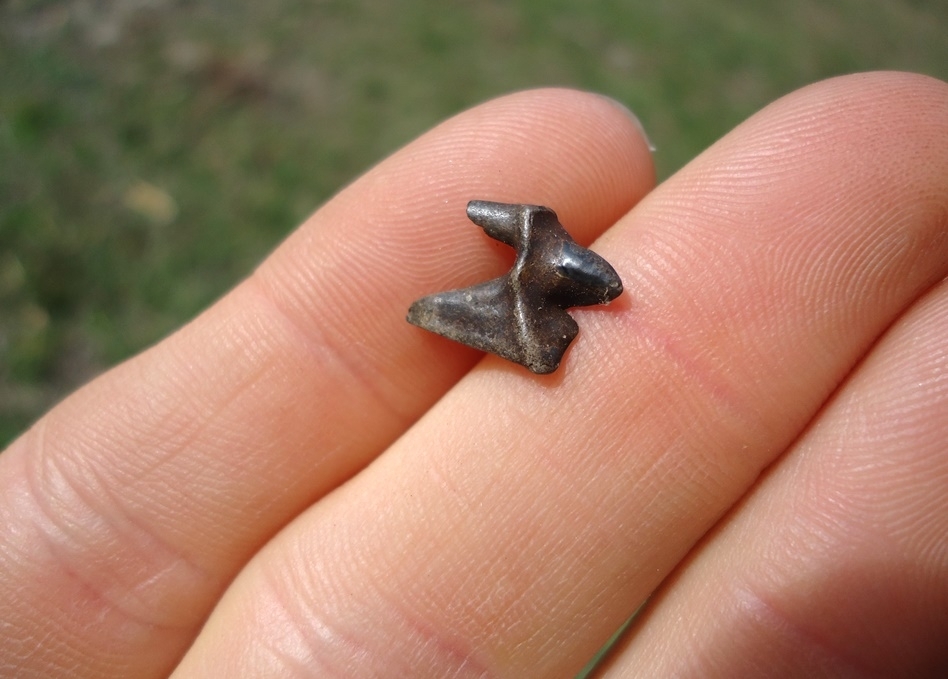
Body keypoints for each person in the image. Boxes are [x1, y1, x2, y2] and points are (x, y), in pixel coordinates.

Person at [0, 71, 946, 678]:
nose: (595, 279)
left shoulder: (550, 302)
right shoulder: (537, 285)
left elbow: (530, 249)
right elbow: (499, 222)